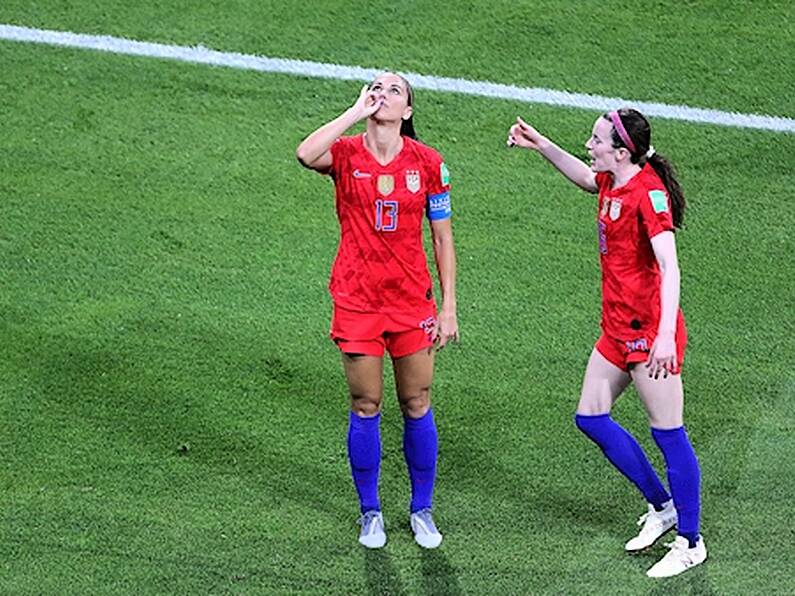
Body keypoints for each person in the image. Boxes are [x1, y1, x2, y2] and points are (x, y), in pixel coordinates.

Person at [507, 108, 706, 578]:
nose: (589, 145)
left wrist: (662, 338)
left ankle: (691, 541)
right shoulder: (610, 181)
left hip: (648, 336)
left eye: (596, 140)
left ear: (621, 152)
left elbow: (670, 268)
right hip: (616, 330)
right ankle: (663, 507)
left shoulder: (648, 195)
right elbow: (584, 177)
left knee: (669, 434)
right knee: (590, 418)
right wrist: (543, 147)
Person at [296, 72, 458, 550]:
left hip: (412, 304)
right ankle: (371, 512)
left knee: (417, 403)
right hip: (357, 302)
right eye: (375, 88)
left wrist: (448, 307)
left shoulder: (429, 164)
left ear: (407, 110)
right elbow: (306, 154)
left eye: (393, 91)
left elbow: (443, 237)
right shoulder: (345, 154)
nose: (382, 94)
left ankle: (421, 510)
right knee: (366, 405)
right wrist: (354, 112)